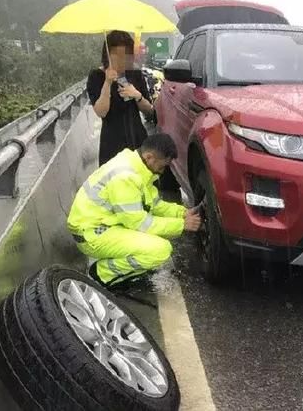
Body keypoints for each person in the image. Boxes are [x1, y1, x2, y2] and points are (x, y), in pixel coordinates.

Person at [67, 133, 202, 288]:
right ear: (150, 157)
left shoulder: (138, 167)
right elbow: (140, 224)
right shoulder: (125, 177)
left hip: (101, 226)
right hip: (93, 234)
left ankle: (116, 266)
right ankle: (101, 274)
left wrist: (182, 213)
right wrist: (182, 224)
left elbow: (155, 205)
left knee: (155, 241)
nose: (163, 171)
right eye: (162, 165)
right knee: (160, 250)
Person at [87, 30, 155, 166]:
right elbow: (101, 112)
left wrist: (137, 95)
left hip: (137, 140)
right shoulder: (96, 76)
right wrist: (107, 83)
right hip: (112, 144)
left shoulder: (135, 74)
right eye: (117, 56)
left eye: (126, 55)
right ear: (107, 55)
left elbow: (150, 111)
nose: (122, 60)